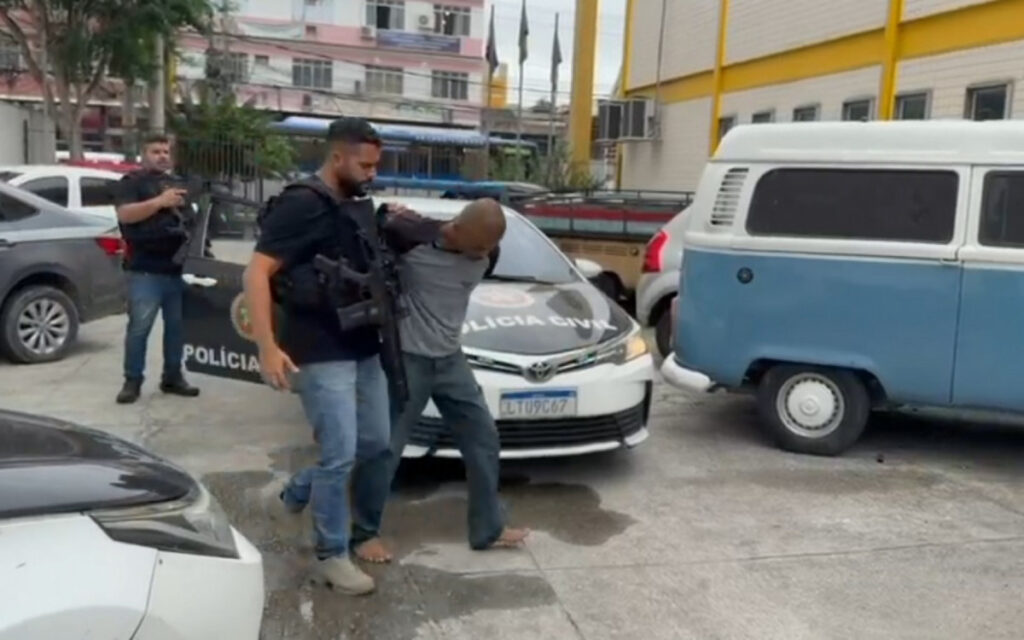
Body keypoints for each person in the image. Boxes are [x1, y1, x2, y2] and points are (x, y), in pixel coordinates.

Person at [244, 117, 434, 596]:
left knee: (375, 443)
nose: (372, 172)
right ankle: (331, 554)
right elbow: (256, 273)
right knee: (339, 455)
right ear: (336, 157)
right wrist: (267, 345)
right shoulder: (301, 204)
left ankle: (293, 494)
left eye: (375, 164)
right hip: (319, 347)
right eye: (365, 164)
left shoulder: (356, 201)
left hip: (363, 343)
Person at [350, 198, 530, 564]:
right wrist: (387, 214)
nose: (483, 253)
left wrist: (481, 249)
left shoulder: (488, 256)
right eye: (478, 245)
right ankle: (363, 534)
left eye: (489, 247)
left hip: (451, 360)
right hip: (409, 360)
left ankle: (488, 529)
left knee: (483, 437)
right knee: (387, 448)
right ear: (456, 229)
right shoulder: (412, 238)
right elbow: (373, 227)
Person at [114, 134, 200, 404]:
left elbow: (194, 223)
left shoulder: (179, 184)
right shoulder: (132, 182)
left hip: (177, 269)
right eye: (156, 151)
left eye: (166, 151)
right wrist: (160, 202)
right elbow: (125, 214)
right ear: (144, 154)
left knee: (177, 329)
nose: (162, 156)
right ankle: (132, 381)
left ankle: (172, 377)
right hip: (145, 271)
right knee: (139, 328)